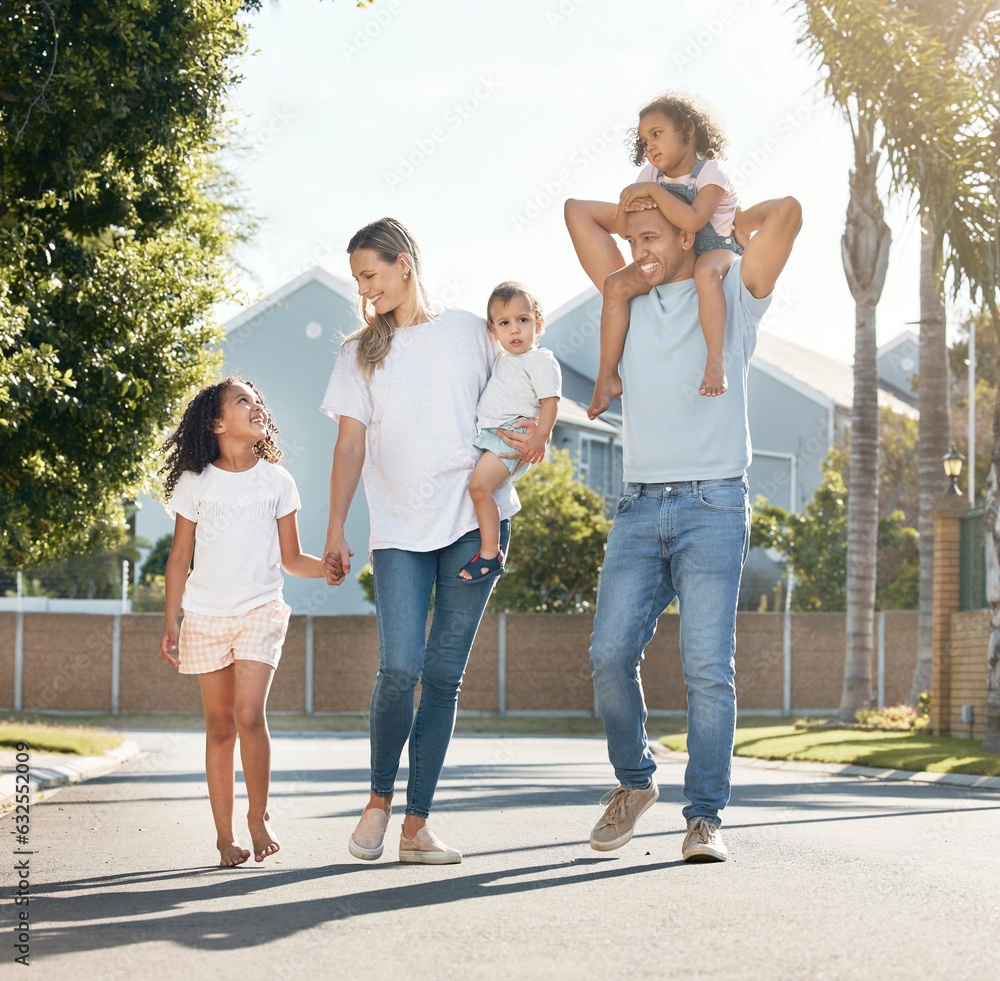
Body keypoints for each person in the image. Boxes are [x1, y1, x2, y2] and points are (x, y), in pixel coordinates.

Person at [580, 194, 802, 862]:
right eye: (631, 237)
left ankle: (705, 816)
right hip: (641, 504)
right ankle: (634, 781)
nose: (637, 248)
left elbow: (788, 211)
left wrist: (696, 210)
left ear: (684, 236)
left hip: (714, 505)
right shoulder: (628, 297)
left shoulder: (728, 289)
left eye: (651, 236)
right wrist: (644, 201)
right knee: (609, 652)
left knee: (708, 666)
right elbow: (575, 212)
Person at [320, 218, 534, 865]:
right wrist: (335, 527)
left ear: (404, 264)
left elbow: (519, 394)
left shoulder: (471, 329)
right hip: (399, 533)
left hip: (475, 521)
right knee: (399, 668)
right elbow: (351, 443)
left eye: (371, 274)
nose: (364, 289)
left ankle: (417, 826)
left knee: (441, 676)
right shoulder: (359, 352)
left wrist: (525, 443)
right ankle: (378, 802)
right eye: (359, 278)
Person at [158, 377, 326, 867]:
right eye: (243, 401)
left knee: (250, 716)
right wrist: (172, 619)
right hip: (206, 615)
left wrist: (327, 566)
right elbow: (179, 557)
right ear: (216, 422)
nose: (257, 407)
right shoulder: (196, 482)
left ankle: (258, 817)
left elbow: (292, 558)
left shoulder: (277, 480)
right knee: (219, 726)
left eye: (258, 402)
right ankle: (224, 836)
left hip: (259, 609)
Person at [564, 92, 743, 417]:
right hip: (670, 255)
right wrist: (628, 202)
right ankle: (607, 376)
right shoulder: (650, 175)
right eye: (644, 140)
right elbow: (622, 228)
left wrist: (654, 194)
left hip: (715, 249)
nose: (649, 146)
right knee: (616, 286)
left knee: (706, 275)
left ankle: (716, 361)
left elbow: (693, 220)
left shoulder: (710, 174)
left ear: (687, 129)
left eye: (657, 134)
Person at [458, 281, 561, 582]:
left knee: (479, 488)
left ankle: (490, 554)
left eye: (523, 320)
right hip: (495, 436)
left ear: (538, 324)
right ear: (494, 331)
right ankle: (489, 550)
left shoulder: (541, 360)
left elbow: (550, 403)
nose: (514, 329)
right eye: (505, 323)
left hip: (512, 437)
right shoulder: (503, 358)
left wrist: (540, 437)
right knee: (478, 488)